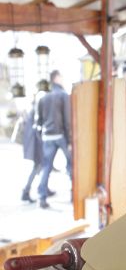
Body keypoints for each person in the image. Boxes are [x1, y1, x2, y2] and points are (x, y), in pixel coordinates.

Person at [36, 70, 71, 209]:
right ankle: (75, 195)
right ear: (56, 78)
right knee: (71, 165)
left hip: (47, 136)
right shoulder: (63, 95)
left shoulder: (43, 97)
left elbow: (39, 121)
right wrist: (70, 141)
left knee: (46, 167)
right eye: (61, 76)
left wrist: (42, 135)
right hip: (61, 135)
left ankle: (42, 197)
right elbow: (67, 120)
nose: (62, 79)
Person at [18, 79, 50, 203]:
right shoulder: (35, 107)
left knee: (41, 166)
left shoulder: (33, 106)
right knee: (38, 166)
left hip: (34, 142)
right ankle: (26, 191)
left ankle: (43, 187)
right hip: (36, 143)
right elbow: (36, 128)